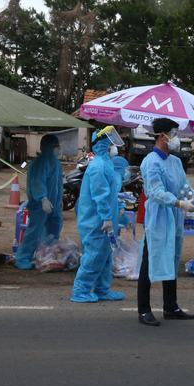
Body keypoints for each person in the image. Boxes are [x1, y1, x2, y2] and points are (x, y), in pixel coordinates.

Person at [137, 118, 194, 326]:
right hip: (158, 217)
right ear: (162, 136)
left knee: (173, 258)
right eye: (174, 133)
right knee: (151, 259)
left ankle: (171, 306)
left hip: (174, 216)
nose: (177, 138)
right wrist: (180, 203)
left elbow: (184, 185)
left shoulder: (175, 162)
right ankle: (144, 309)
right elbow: (155, 192)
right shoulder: (151, 161)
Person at [71, 127, 123, 303]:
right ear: (104, 145)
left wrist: (118, 208)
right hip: (96, 221)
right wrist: (106, 216)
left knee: (105, 255)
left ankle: (102, 289)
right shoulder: (98, 166)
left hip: (103, 220)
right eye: (111, 144)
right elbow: (100, 195)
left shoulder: (105, 162)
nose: (114, 147)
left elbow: (109, 193)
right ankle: (81, 290)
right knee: (94, 255)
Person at [14, 135, 63, 270]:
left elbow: (57, 184)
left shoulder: (56, 163)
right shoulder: (41, 162)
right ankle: (22, 257)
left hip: (54, 204)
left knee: (52, 232)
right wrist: (43, 198)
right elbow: (38, 182)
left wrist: (59, 201)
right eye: (56, 145)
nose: (58, 148)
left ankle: (45, 257)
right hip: (40, 204)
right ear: (50, 146)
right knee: (34, 231)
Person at [112, 156, 134, 232]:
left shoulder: (112, 174)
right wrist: (126, 221)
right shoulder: (117, 179)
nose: (127, 172)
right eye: (126, 169)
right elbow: (114, 201)